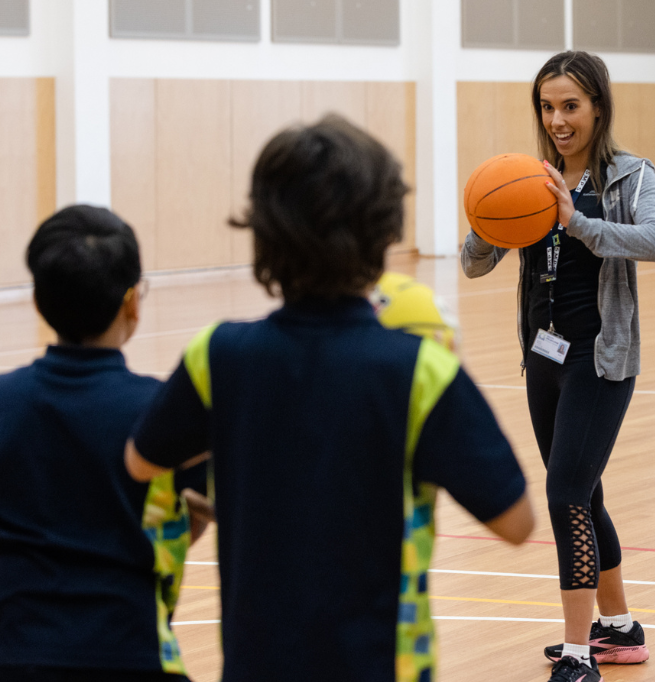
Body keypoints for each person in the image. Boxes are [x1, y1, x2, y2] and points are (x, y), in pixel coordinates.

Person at [123, 115, 534, 682]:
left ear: (263, 231)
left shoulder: (217, 356)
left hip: (255, 663)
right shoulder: (421, 372)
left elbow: (141, 460)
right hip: (383, 664)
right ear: (386, 229)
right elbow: (516, 522)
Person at [0, 205, 211, 682]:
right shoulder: (161, 410)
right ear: (131, 304)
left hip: (9, 661)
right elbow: (207, 506)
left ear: (38, 302)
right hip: (134, 657)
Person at [461, 50, 655, 681]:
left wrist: (578, 223)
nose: (557, 119)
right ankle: (619, 629)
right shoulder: (531, 178)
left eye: (570, 106)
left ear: (599, 107)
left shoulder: (631, 175)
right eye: (547, 106)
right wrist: (487, 218)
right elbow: (474, 264)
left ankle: (580, 655)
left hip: (600, 360)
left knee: (564, 494)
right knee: (586, 491)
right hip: (543, 358)